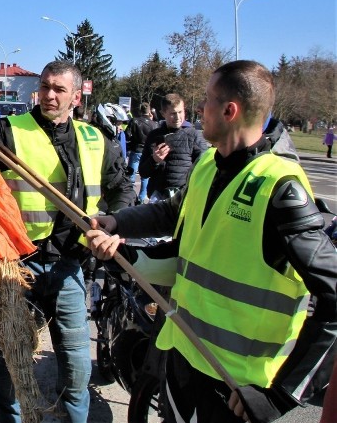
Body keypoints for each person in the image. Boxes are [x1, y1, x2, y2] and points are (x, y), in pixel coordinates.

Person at [87, 60, 337, 423]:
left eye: (205, 100)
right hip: (183, 357)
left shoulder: (279, 187)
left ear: (230, 110)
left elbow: (333, 296)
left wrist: (283, 395)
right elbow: (175, 224)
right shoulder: (207, 165)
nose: (199, 110)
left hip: (237, 385)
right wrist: (116, 230)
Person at [0, 60, 135, 423]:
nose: (49, 94)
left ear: (76, 97)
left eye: (58, 89)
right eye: (45, 86)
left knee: (77, 368)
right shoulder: (8, 131)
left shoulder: (96, 139)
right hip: (18, 266)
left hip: (70, 266)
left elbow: (121, 188)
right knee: (10, 365)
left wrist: (114, 225)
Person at [138, 93, 209, 201]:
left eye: (180, 112)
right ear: (163, 113)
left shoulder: (194, 135)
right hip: (158, 198)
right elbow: (143, 172)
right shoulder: (153, 136)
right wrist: (154, 160)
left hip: (184, 198)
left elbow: (205, 169)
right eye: (173, 113)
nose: (177, 117)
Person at [125, 102, 158, 203]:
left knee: (131, 174)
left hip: (136, 149)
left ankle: (129, 196)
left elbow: (127, 134)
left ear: (140, 110)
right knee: (145, 176)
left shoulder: (134, 121)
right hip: (147, 152)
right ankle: (142, 198)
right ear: (149, 111)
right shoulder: (154, 124)